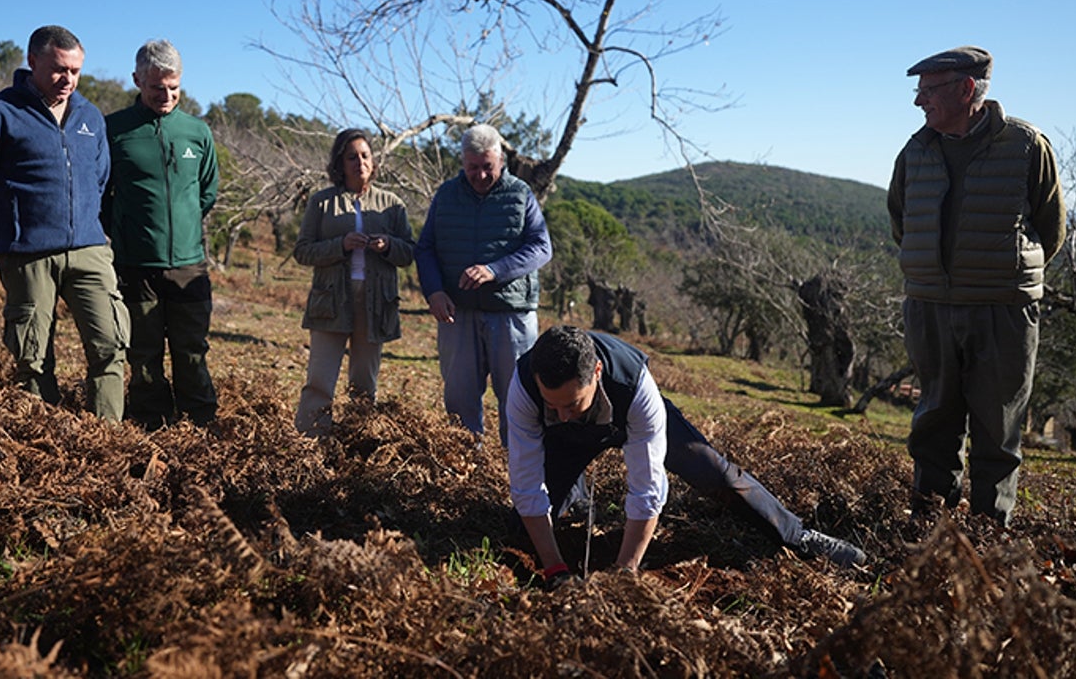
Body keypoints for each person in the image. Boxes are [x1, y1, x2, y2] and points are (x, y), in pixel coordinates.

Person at [508, 326, 866, 585]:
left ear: (597, 373)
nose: (563, 414)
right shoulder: (525, 387)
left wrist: (625, 572)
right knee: (527, 522)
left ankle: (798, 535)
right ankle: (576, 497)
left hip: (626, 419)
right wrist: (555, 570)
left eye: (572, 403)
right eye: (552, 404)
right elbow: (526, 487)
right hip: (565, 442)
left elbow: (646, 488)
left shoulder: (634, 385)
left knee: (713, 472)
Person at [888, 46, 1066, 527]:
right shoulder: (915, 150)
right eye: (918, 91)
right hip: (930, 308)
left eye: (928, 90)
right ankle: (926, 529)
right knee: (933, 423)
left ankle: (987, 540)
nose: (919, 102)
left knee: (997, 430)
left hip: (1002, 311)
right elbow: (901, 221)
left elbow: (1050, 231)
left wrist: (1000, 277)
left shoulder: (1027, 146)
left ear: (967, 89)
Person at [0, 25, 128, 421]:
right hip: (26, 256)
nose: (68, 79)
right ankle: (42, 441)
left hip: (89, 250)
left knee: (111, 345)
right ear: (32, 61)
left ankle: (108, 442)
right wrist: (13, 230)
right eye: (58, 69)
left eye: (76, 71)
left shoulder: (90, 117)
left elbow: (99, 180)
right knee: (32, 357)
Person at [103, 40, 220, 429]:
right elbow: (101, 193)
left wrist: (182, 228)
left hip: (189, 266)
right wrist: (124, 234)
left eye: (173, 87)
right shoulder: (114, 130)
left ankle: (200, 427)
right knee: (144, 354)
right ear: (137, 80)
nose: (166, 96)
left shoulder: (197, 132)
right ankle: (151, 426)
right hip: (135, 266)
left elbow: (206, 192)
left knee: (191, 353)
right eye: (156, 88)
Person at [415, 124, 552, 446]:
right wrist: (434, 291)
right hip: (457, 314)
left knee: (520, 401)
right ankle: (467, 472)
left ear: (501, 160)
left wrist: (495, 270)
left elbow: (541, 247)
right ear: (462, 162)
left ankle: (519, 476)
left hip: (512, 316)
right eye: (472, 167)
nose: (479, 175)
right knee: (460, 401)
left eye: (487, 167)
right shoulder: (446, 195)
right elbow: (425, 248)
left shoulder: (520, 194)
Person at [293, 129, 415, 437]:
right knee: (319, 380)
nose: (359, 162)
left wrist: (387, 245)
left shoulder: (392, 204)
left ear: (374, 162)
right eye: (351, 157)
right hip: (330, 301)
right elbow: (302, 251)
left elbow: (409, 253)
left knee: (364, 384)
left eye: (364, 155)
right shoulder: (322, 202)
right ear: (339, 163)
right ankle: (310, 445)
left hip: (376, 304)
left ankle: (356, 445)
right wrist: (340, 245)